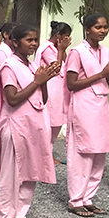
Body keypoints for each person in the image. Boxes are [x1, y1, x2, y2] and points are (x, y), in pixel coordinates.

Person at [0, 25, 58, 218]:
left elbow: (43, 99)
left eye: (35, 40)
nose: (34, 44)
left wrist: (43, 81)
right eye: (29, 40)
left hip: (34, 125)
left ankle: (19, 217)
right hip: (16, 125)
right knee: (11, 176)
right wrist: (37, 81)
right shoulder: (9, 66)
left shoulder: (32, 65)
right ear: (15, 42)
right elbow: (12, 98)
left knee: (30, 174)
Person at [65, 14, 109, 218]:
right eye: (98, 27)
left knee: (100, 152)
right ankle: (76, 199)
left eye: (105, 27)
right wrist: (101, 73)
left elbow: (106, 83)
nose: (103, 31)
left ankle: (88, 198)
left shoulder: (107, 52)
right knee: (83, 152)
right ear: (87, 29)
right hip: (83, 103)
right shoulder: (77, 52)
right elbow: (71, 84)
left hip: (101, 104)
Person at [36, 21, 72, 161]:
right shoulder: (47, 49)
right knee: (49, 124)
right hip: (50, 90)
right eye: (66, 37)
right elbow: (56, 68)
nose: (68, 40)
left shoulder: (56, 48)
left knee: (56, 123)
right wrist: (61, 49)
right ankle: (43, 156)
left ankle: (47, 155)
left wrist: (62, 49)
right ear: (58, 35)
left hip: (59, 91)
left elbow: (66, 63)